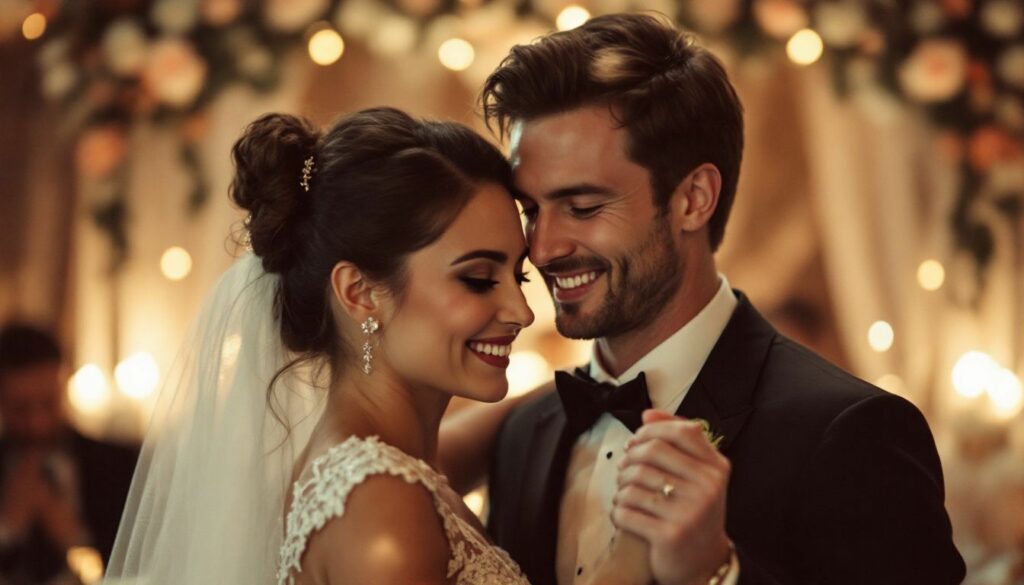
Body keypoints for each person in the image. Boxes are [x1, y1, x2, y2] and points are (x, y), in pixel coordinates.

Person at [468, 12, 966, 585]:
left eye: (582, 207)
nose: (544, 246)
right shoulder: (523, 434)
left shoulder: (853, 433)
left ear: (693, 199)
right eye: (531, 210)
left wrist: (719, 573)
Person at [109, 107, 650, 585]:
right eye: (479, 279)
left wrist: (605, 376)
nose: (522, 312)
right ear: (360, 293)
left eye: (520, 276)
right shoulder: (380, 505)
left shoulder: (383, 463)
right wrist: (624, 567)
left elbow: (486, 435)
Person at [0, 322, 136, 584]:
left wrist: (74, 539)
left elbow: (136, 570)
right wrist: (6, 530)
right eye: (22, 408)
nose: (37, 422)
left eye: (48, 403)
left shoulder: (116, 464)